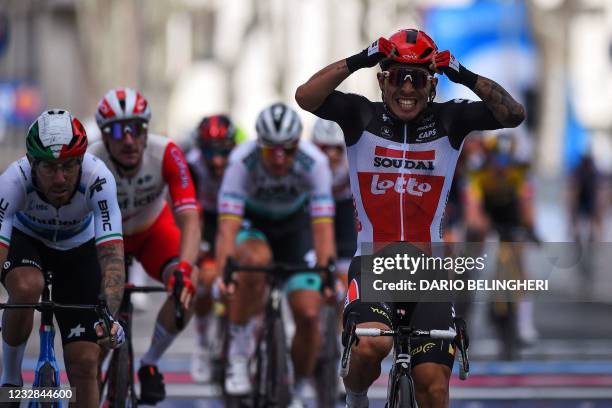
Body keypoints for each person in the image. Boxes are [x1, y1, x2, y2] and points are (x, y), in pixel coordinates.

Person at [295, 28, 525, 407]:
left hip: (429, 269)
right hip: (373, 263)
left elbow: (513, 114)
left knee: (434, 387)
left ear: (431, 83)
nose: (407, 88)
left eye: (416, 78)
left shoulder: (451, 121)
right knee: (371, 345)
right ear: (382, 80)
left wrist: (461, 73)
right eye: (397, 76)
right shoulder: (360, 116)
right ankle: (355, 397)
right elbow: (306, 96)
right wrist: (361, 57)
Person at [0, 110, 125, 407]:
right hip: (27, 242)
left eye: (69, 166)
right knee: (28, 286)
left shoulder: (99, 179)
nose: (60, 178)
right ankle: (9, 380)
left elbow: (111, 256)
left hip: (78, 250)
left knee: (84, 363)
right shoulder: (12, 182)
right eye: (49, 167)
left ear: (81, 160)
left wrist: (109, 315)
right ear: (32, 162)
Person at [216, 102, 336, 404]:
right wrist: (225, 274)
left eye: (288, 149)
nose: (280, 158)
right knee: (254, 263)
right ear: (259, 145)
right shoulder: (241, 161)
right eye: (271, 150)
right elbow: (227, 227)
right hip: (254, 226)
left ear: (299, 144)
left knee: (309, 315)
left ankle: (295, 387)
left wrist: (327, 273)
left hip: (295, 229)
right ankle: (239, 355)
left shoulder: (316, 163)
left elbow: (323, 227)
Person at [90, 87, 200, 404]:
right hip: (104, 239)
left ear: (146, 130)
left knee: (187, 291)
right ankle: (91, 378)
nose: (128, 140)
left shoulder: (166, 152)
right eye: (116, 130)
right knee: (94, 325)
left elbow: (190, 218)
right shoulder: (91, 159)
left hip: (153, 232)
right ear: (104, 135)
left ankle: (150, 362)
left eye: (136, 129)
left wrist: (183, 269)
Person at [185, 114, 240, 382]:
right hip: (206, 218)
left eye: (223, 152)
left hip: (236, 216)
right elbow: (187, 212)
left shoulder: (241, 161)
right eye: (210, 152)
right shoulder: (192, 164)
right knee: (205, 279)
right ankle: (202, 341)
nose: (217, 160)